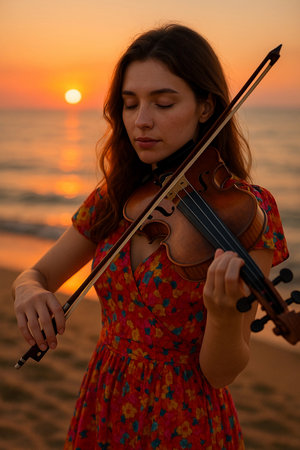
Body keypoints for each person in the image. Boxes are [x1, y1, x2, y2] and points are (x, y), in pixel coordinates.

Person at [13, 24, 288, 449]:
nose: (141, 121)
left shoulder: (247, 212)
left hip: (186, 421)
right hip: (103, 401)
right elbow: (38, 274)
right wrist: (28, 292)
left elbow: (222, 373)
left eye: (163, 103)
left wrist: (221, 313)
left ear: (205, 108)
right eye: (129, 104)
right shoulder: (116, 195)